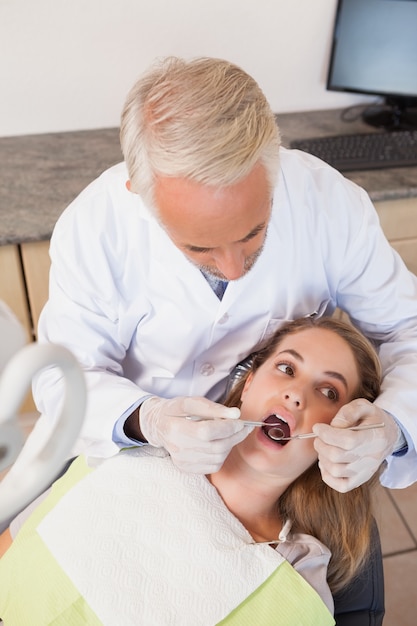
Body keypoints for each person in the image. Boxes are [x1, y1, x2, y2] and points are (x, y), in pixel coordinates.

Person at [19, 56, 417, 493]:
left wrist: (393, 426)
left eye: (253, 233)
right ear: (140, 195)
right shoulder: (96, 227)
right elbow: (64, 377)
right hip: (130, 456)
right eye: (199, 247)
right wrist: (147, 420)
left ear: (275, 171)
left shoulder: (328, 204)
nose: (233, 268)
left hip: (274, 476)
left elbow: (408, 327)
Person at [0, 317, 384, 625]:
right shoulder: (123, 456)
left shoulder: (299, 579)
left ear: (339, 438)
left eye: (328, 392)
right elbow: (12, 553)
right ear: (248, 384)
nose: (296, 394)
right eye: (286, 368)